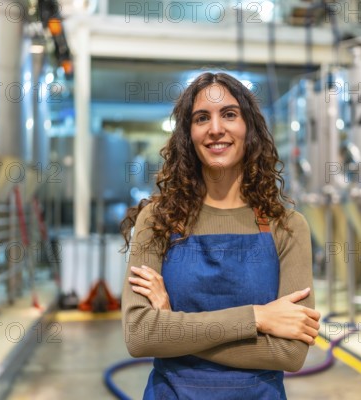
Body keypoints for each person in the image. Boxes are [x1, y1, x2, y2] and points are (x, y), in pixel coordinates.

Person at [120, 72, 320, 400]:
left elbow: (289, 354)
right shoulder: (156, 220)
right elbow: (140, 336)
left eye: (229, 114)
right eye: (202, 118)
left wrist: (172, 327)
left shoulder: (286, 226)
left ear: (249, 128)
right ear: (189, 134)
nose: (215, 129)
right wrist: (257, 317)